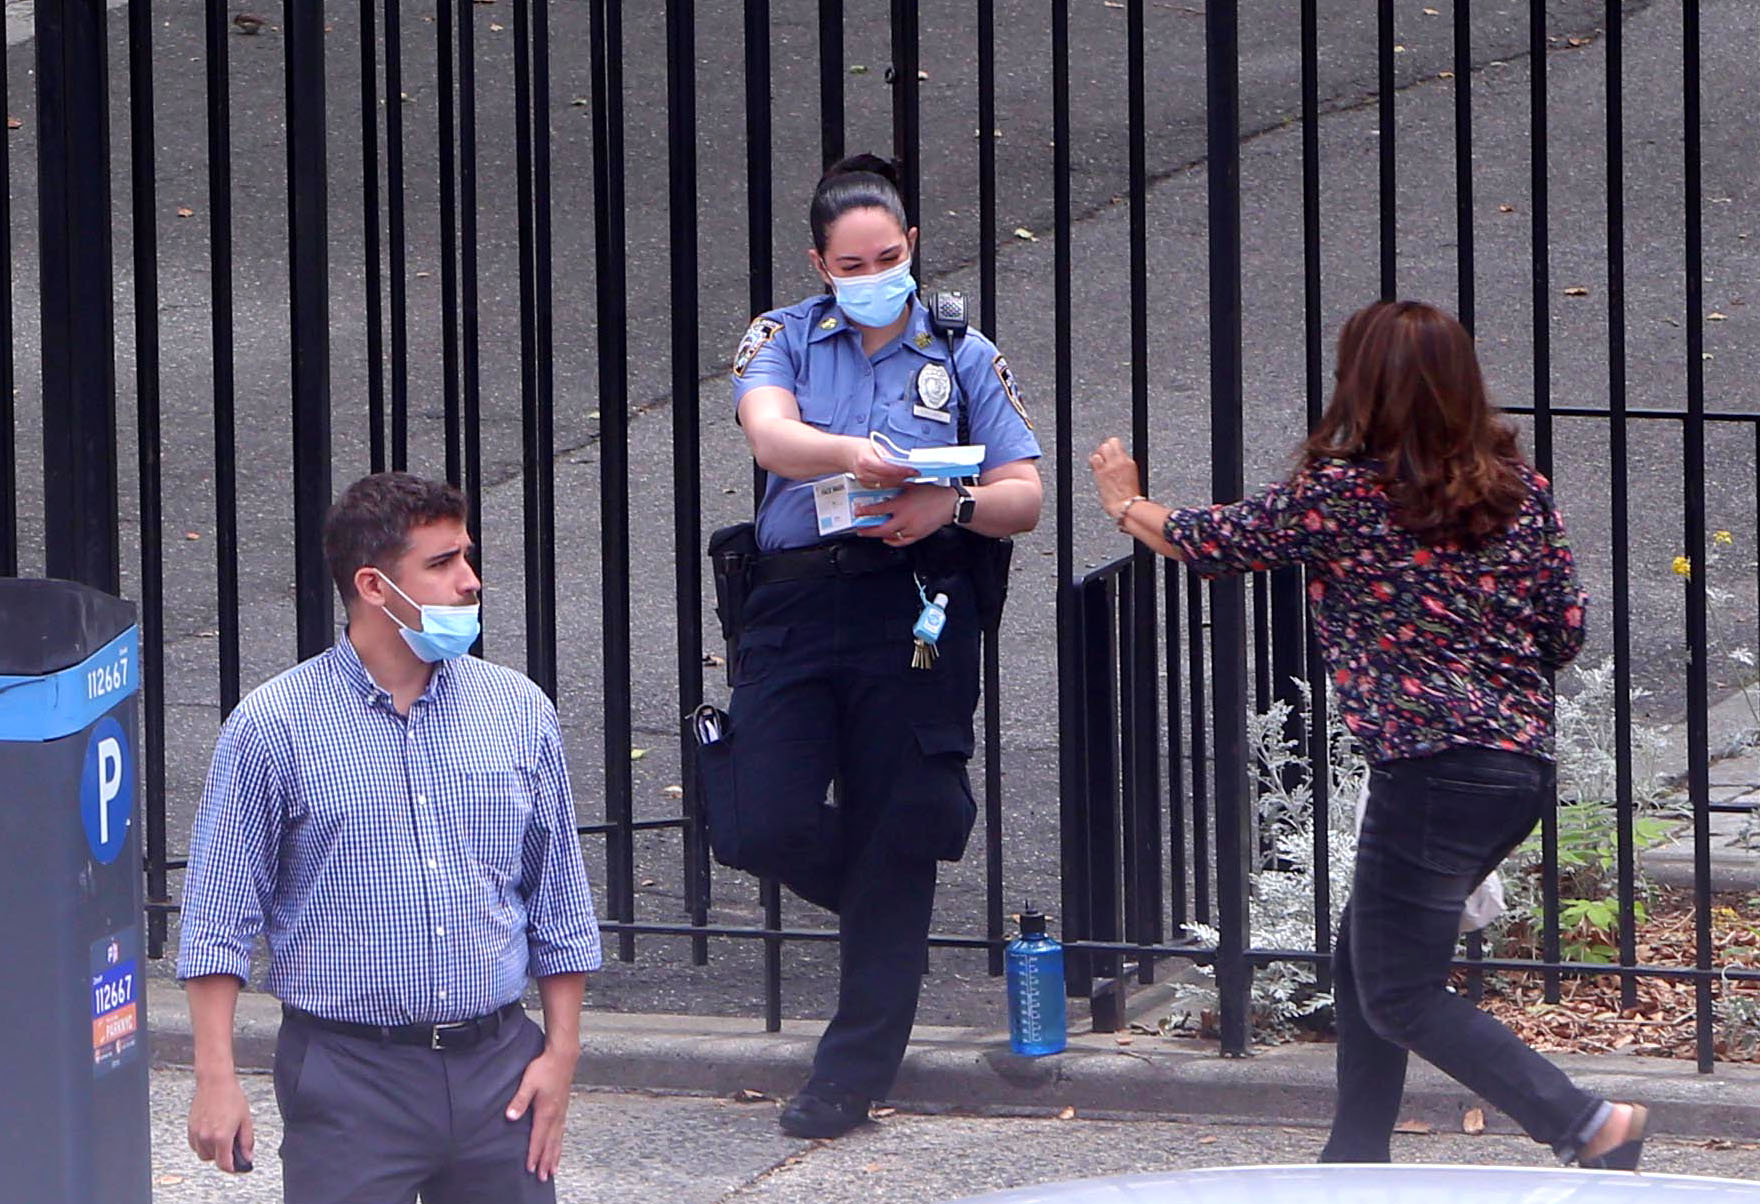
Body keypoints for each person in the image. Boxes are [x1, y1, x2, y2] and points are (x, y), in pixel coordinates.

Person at [1089, 300, 1647, 1170]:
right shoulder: (1518, 491)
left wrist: (1126, 503)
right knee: (1362, 964)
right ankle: (1352, 1160)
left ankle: (1585, 1123)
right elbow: (1563, 631)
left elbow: (1214, 542)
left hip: (1431, 771)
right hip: (1514, 769)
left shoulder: (1346, 495)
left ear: (1363, 386)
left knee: (1400, 991)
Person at [715, 153, 1043, 1138]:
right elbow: (770, 437)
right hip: (794, 604)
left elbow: (1023, 495)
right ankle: (880, 894)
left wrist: (955, 500)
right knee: (758, 817)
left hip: (912, 603)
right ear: (819, 263)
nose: (872, 276)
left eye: (887, 256)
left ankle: (846, 1079)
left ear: (911, 248)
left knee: (900, 826)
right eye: (850, 263)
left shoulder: (964, 355)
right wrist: (852, 453)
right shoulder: (780, 339)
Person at [177, 472, 600, 1202]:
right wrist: (216, 1080)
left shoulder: (518, 712)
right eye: (442, 564)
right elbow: (219, 919)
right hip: (349, 1075)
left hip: (499, 1065)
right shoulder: (274, 727)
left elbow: (558, 900)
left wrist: (560, 1054)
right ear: (373, 586)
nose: (470, 582)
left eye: (467, 557)